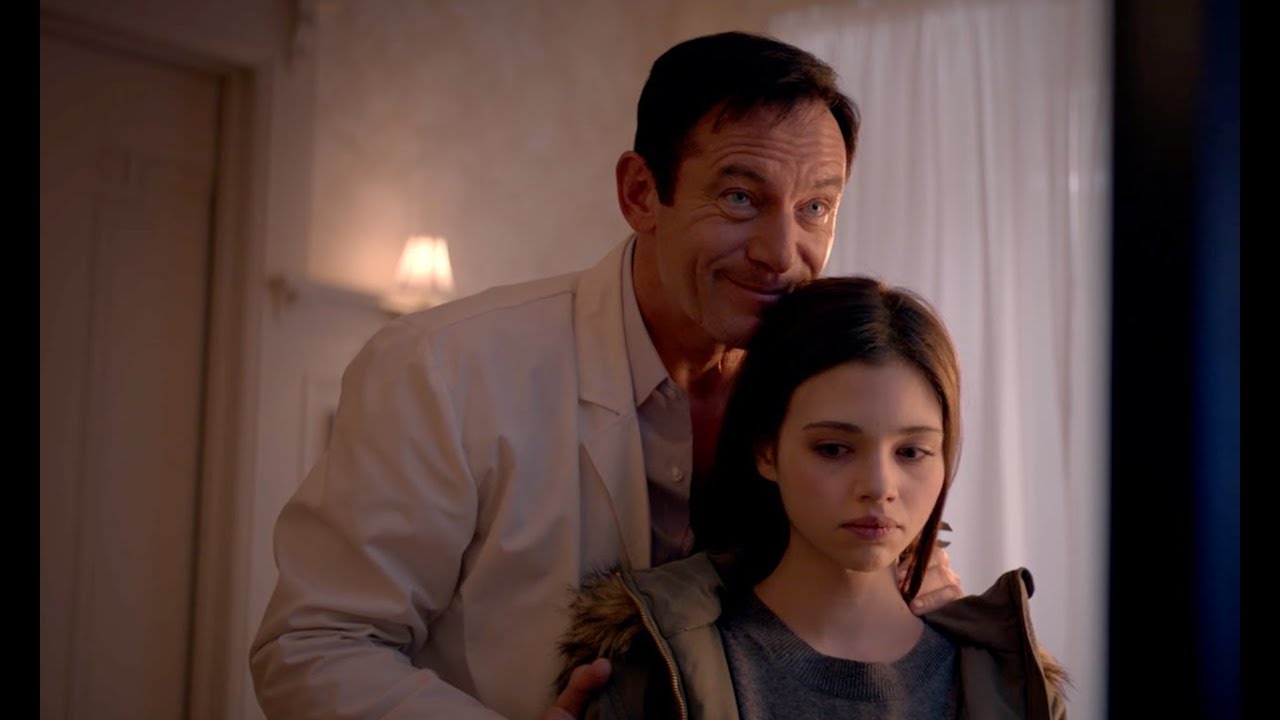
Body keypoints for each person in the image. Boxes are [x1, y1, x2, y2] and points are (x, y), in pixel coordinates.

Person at [250, 31, 964, 720]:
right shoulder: (444, 369)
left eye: (815, 208)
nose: (782, 252)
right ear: (640, 193)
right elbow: (315, 647)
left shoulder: (830, 390)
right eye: (740, 198)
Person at [557, 276, 1070, 719]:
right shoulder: (656, 664)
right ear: (767, 451)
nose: (880, 486)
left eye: (912, 452)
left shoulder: (1011, 688)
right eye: (833, 448)